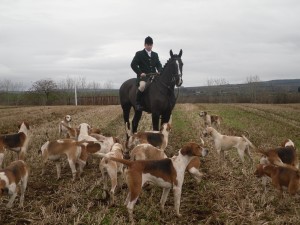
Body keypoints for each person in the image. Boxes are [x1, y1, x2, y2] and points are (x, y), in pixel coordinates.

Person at [131, 36, 162, 111]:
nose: (149, 46)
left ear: (152, 45)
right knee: (142, 86)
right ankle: (138, 103)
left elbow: (158, 64)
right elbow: (133, 64)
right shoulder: (139, 54)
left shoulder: (155, 54)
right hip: (143, 77)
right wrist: (140, 73)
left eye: (150, 45)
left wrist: (159, 70)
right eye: (148, 45)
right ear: (144, 45)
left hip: (154, 76)